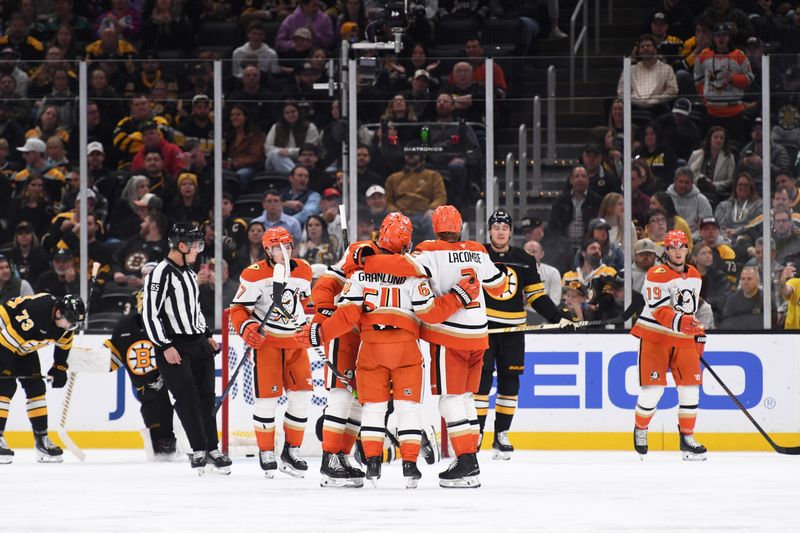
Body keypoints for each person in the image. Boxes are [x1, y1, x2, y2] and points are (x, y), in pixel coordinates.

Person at [296, 212, 478, 488]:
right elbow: (327, 283)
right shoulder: (365, 253)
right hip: (347, 336)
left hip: (361, 337)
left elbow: (341, 294)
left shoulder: (376, 261)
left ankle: (343, 458)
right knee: (344, 397)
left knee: (361, 403)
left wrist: (322, 325)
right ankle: (331, 459)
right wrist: (322, 313)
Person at [407, 206, 509, 488]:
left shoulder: (427, 250)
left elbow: (406, 272)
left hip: (449, 336)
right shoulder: (478, 250)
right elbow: (499, 288)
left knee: (450, 400)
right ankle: (470, 461)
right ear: (460, 225)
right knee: (465, 398)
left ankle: (466, 460)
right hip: (479, 336)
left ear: (435, 227)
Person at [479, 210, 574, 459]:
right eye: (496, 227)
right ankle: (476, 434)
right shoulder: (477, 255)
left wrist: (557, 317)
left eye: (504, 227)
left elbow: (537, 296)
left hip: (513, 330)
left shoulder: (524, 259)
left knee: (510, 382)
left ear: (511, 232)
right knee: (481, 383)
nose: (500, 231)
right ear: (489, 231)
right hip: (483, 330)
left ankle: (501, 435)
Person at [142, 223, 231, 474]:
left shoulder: (190, 274)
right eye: (195, 244)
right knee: (187, 399)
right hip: (174, 346)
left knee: (205, 398)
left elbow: (195, 310)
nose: (198, 250)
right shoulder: (159, 274)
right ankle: (198, 449)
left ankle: (212, 448)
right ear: (181, 246)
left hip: (198, 344)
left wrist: (206, 334)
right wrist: (165, 345)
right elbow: (150, 314)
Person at [229, 226, 314, 479]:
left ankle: (291, 451)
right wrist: (248, 328)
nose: (284, 252)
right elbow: (238, 310)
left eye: (288, 247)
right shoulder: (253, 274)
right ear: (267, 250)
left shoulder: (304, 270)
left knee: (302, 398)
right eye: (278, 248)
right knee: (267, 400)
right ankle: (266, 451)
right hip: (268, 345)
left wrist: (306, 327)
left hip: (296, 344)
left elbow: (304, 303)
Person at [630, 230, 707, 461]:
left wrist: (697, 333)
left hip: (683, 339)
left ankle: (687, 438)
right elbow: (659, 310)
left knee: (690, 389)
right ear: (666, 250)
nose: (677, 251)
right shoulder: (656, 273)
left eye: (681, 246)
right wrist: (684, 322)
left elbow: (689, 310)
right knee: (653, 391)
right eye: (672, 247)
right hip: (656, 337)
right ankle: (641, 428)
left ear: (687, 248)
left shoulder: (695, 274)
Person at [104, 262, 177, 460]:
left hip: (178, 378)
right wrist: (79, 360)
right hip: (152, 389)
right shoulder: (127, 326)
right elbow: (112, 358)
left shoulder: (175, 318)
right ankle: (162, 441)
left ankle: (192, 442)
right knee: (153, 397)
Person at [0, 293, 85, 463]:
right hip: (4, 336)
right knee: (5, 386)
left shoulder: (66, 325)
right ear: (58, 312)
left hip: (23, 344)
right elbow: (7, 342)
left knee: (36, 388)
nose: (71, 325)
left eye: (75, 322)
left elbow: (63, 346)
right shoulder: (36, 312)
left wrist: (59, 367)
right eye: (69, 320)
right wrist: (6, 371)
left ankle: (42, 440)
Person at [694, 23, 753, 145]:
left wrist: (733, 78)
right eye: (718, 36)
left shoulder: (739, 55)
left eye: (724, 35)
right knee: (712, 146)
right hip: (712, 113)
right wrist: (703, 97)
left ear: (729, 37)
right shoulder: (703, 56)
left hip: (734, 113)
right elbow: (698, 79)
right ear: (713, 38)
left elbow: (750, 78)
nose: (721, 39)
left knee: (734, 146)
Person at [384, 154, 446, 244]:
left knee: (432, 222)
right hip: (401, 215)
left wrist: (432, 209)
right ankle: (394, 256)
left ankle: (433, 252)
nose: (411, 155)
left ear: (421, 155)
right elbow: (388, 201)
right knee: (391, 223)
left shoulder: (433, 175)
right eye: (408, 152)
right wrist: (395, 212)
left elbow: (441, 197)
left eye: (414, 153)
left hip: (424, 215)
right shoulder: (393, 178)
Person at [616, 34, 678, 120]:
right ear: (639, 51)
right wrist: (638, 101)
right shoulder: (630, 69)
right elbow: (621, 92)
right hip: (634, 109)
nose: (645, 48)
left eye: (648, 46)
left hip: (658, 109)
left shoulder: (667, 68)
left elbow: (673, 91)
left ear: (655, 49)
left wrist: (654, 100)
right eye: (642, 46)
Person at [687, 126, 736, 199]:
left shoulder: (729, 157)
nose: (718, 140)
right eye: (715, 137)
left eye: (722, 138)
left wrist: (714, 185)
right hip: (695, 188)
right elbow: (687, 173)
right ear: (709, 139)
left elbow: (731, 180)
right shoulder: (696, 154)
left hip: (715, 192)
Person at [714, 172, 762, 239]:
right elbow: (717, 224)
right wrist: (724, 233)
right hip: (725, 238)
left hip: (748, 239)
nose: (743, 187)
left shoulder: (759, 205)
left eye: (746, 185)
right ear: (735, 187)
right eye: (740, 185)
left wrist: (738, 231)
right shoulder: (723, 206)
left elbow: (757, 224)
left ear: (751, 187)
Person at [666, 167, 712, 235]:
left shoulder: (702, 200)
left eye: (687, 182)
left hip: (695, 240)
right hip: (668, 238)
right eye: (680, 181)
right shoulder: (666, 198)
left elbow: (706, 226)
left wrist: (690, 239)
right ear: (675, 181)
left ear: (692, 183)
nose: (683, 185)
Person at [524, 240, 562, 305]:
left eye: (534, 252)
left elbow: (555, 301)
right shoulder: (514, 273)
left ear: (541, 254)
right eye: (527, 252)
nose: (530, 255)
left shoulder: (552, 272)